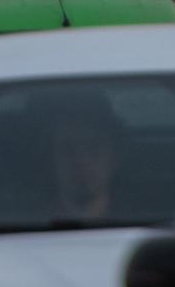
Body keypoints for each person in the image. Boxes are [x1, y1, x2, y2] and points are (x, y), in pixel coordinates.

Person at [46, 91, 124, 222]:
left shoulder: (152, 228)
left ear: (115, 158)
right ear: (51, 158)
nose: (81, 161)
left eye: (94, 149)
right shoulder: (19, 228)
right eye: (68, 150)